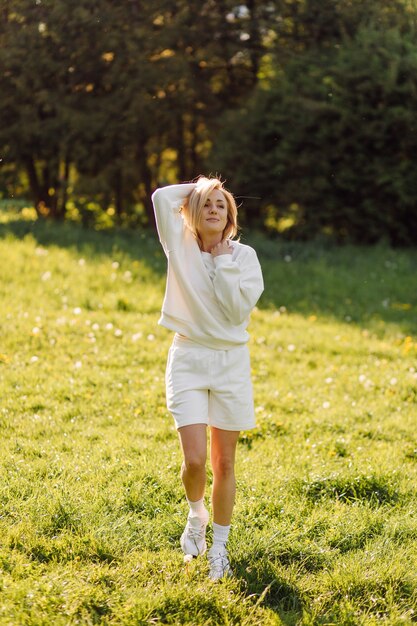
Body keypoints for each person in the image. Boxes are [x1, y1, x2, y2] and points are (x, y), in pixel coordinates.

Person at [151, 176, 263, 581]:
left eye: (222, 205)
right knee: (195, 460)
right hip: (189, 357)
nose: (215, 209)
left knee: (224, 461)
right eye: (207, 205)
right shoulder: (178, 245)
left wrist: (222, 261)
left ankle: (219, 548)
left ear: (230, 216)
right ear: (194, 213)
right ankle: (195, 514)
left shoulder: (245, 257)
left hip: (231, 362)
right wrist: (201, 191)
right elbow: (163, 197)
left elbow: (235, 313)